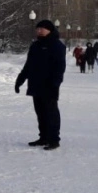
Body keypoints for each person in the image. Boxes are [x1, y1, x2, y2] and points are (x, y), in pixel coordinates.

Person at [15, 20, 66, 150]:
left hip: (49, 85)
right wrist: (20, 80)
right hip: (36, 84)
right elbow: (28, 65)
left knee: (51, 112)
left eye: (42, 29)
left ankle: (54, 139)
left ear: (49, 30)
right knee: (40, 112)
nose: (39, 31)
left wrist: (56, 83)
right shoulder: (35, 45)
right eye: (37, 29)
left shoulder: (57, 45)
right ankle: (43, 137)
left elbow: (60, 67)